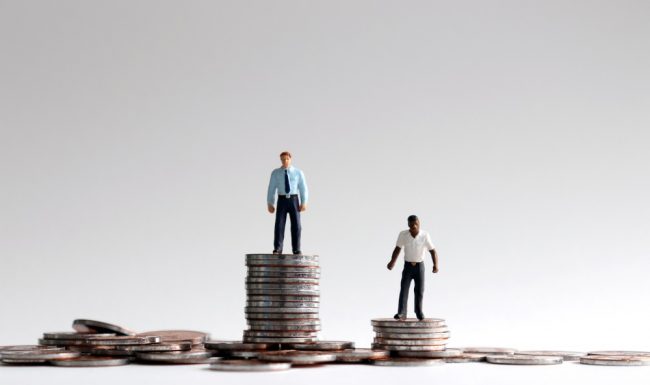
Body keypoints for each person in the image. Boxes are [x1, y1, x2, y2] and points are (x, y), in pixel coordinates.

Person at [387, 215, 439, 321]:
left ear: (419, 223)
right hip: (408, 266)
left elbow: (432, 250)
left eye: (416, 223)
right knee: (404, 288)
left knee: (419, 290)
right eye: (411, 224)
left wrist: (435, 264)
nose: (414, 226)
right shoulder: (403, 234)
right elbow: (397, 249)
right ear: (408, 224)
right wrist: (392, 262)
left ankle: (419, 311)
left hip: (419, 266)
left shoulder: (425, 235)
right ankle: (402, 312)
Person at [267, 151, 308, 255]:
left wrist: (304, 201)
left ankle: (296, 248)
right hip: (282, 200)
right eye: (283, 159)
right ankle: (278, 248)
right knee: (279, 224)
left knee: (297, 225)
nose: (285, 161)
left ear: (291, 159)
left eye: (287, 159)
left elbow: (303, 188)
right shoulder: (276, 173)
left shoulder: (298, 173)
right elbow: (271, 188)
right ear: (280, 160)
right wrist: (270, 203)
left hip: (294, 199)